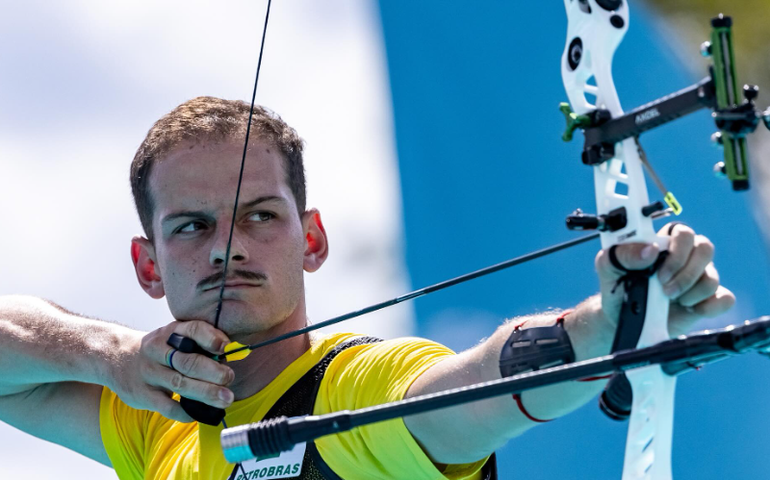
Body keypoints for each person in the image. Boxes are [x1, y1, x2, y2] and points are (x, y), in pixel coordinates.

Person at [0, 97, 734, 480]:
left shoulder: (353, 388)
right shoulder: (154, 424)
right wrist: (113, 356)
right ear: (148, 265)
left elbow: (465, 392)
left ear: (311, 240)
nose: (228, 246)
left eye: (260, 215)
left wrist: (603, 328)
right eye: (191, 226)